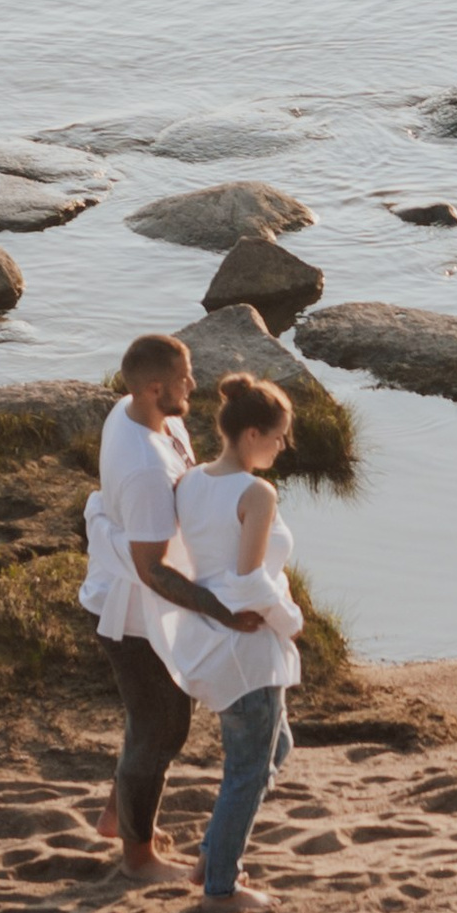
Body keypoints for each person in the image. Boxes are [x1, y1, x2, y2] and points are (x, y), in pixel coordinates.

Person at [77, 334, 263, 882]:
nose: (195, 384)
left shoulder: (144, 414)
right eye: (184, 378)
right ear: (155, 388)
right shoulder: (142, 469)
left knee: (152, 724)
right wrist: (223, 611)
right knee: (161, 728)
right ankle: (138, 859)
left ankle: (117, 816)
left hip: (143, 601)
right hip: (132, 613)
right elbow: (150, 570)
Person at [154, 373, 303, 913]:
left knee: (273, 749)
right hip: (247, 650)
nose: (283, 447)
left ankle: (210, 856)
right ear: (252, 433)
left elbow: (195, 562)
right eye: (280, 436)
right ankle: (220, 885)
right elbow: (246, 581)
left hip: (214, 641)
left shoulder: (191, 482)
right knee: (247, 768)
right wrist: (291, 620)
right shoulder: (256, 492)